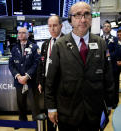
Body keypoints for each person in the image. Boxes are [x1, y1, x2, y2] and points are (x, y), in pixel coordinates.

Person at [45, 2, 114, 131]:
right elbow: (50, 80)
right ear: (70, 20)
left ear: (91, 19)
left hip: (93, 110)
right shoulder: (59, 45)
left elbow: (108, 76)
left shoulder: (101, 43)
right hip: (67, 110)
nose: (82, 20)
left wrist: (109, 103)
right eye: (77, 15)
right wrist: (51, 107)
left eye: (87, 14)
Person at [36, 15, 63, 131]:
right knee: (50, 113)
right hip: (48, 84)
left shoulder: (67, 42)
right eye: (50, 26)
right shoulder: (45, 44)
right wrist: (40, 82)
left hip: (62, 84)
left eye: (55, 26)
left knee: (62, 114)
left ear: (61, 26)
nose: (52, 29)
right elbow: (42, 64)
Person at [9, 27, 40, 121]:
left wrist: (26, 76)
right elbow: (11, 64)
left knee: (34, 104)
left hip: (31, 80)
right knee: (20, 103)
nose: (21, 34)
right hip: (19, 81)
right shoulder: (14, 48)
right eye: (19, 33)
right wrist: (18, 76)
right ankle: (22, 122)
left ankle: (36, 124)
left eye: (23, 32)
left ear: (28, 35)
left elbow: (37, 63)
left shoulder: (34, 47)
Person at [101, 21, 119, 108]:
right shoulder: (99, 38)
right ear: (102, 28)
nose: (106, 27)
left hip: (112, 65)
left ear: (110, 29)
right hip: (101, 66)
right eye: (105, 26)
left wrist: (106, 55)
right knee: (103, 84)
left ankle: (114, 101)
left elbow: (116, 52)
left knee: (114, 84)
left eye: (108, 26)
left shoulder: (115, 39)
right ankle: (104, 101)